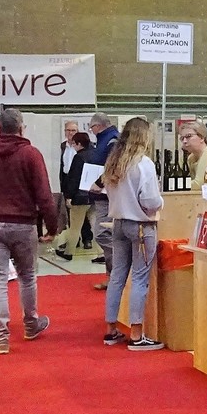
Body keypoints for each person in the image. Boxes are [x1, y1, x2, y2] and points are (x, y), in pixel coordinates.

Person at [0, 109, 58, 355]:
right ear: (20, 128)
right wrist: (52, 226)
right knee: (27, 276)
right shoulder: (31, 154)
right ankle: (31, 324)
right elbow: (45, 196)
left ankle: (1, 338)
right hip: (24, 224)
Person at [101, 117, 165, 351]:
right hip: (140, 226)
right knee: (139, 278)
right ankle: (137, 335)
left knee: (117, 276)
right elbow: (150, 200)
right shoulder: (143, 163)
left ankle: (111, 329)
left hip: (118, 223)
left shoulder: (113, 161)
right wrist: (160, 203)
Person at [85, 112, 120, 288]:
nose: (91, 131)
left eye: (91, 127)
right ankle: (113, 276)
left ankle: (118, 273)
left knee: (102, 234)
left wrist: (99, 182)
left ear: (98, 126)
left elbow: (112, 166)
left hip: (107, 195)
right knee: (106, 234)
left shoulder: (112, 140)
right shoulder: (105, 140)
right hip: (103, 194)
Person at [55, 132, 93, 261]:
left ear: (79, 144)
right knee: (97, 227)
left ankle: (68, 252)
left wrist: (69, 196)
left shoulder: (79, 157)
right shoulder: (95, 154)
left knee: (75, 227)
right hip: (94, 195)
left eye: (74, 144)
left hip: (79, 197)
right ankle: (102, 253)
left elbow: (74, 178)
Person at [179, 120, 207, 191]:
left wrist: (175, 184)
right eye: (182, 138)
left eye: (188, 136)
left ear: (201, 138)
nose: (184, 141)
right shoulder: (191, 158)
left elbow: (199, 184)